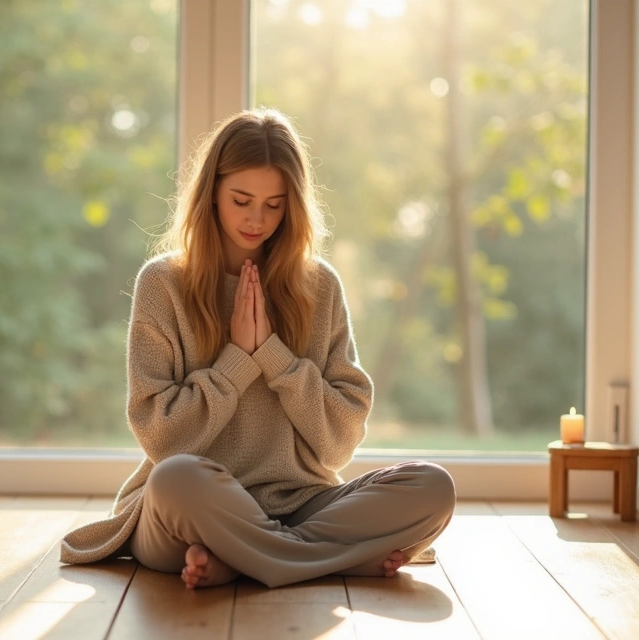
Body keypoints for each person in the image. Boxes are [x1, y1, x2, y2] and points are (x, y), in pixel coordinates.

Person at [60, 108, 455, 589]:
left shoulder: (320, 286)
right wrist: (236, 361)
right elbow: (161, 440)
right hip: (191, 510)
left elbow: (340, 444)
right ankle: (324, 558)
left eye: (274, 204)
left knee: (432, 486)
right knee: (175, 478)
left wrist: (273, 354)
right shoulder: (162, 284)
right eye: (241, 199)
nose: (256, 219)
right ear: (212, 195)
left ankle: (244, 560)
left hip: (299, 503)